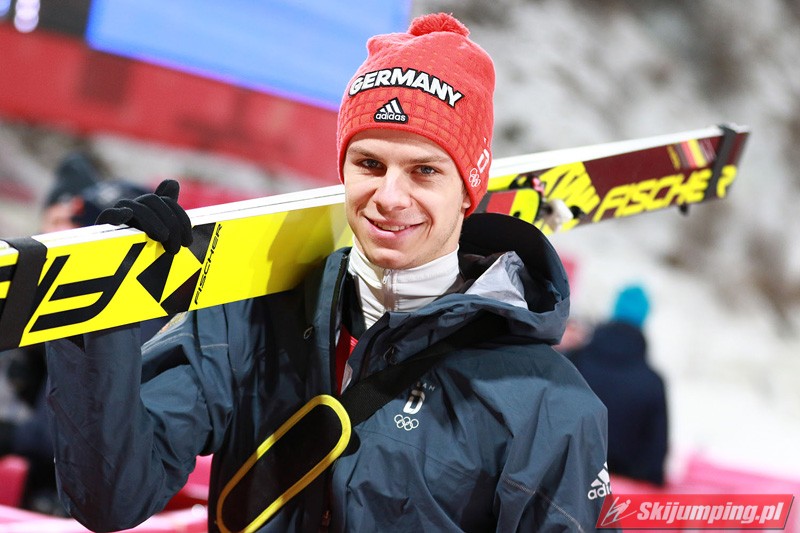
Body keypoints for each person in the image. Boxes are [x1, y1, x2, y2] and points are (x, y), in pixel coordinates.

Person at [44, 13, 614, 532]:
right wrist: (106, 309)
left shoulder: (548, 405)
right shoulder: (248, 321)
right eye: (370, 164)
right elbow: (110, 497)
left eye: (424, 171)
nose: (390, 197)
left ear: (469, 189)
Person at [0, 160, 153, 516]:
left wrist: (9, 434)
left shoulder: (122, 311)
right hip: (57, 491)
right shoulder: (49, 297)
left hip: (84, 502)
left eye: (74, 224)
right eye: (57, 221)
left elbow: (68, 430)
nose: (57, 233)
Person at [570, 284, 669, 487]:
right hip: (620, 495)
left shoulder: (572, 362)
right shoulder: (652, 383)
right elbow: (655, 459)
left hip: (563, 481)